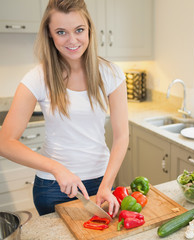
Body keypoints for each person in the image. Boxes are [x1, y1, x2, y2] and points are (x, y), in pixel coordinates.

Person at [0, 0, 129, 217]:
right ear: (50, 34)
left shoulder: (111, 74)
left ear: (89, 28)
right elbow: (5, 142)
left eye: (79, 30)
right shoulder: (38, 78)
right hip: (53, 188)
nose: (72, 40)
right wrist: (57, 168)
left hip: (100, 181)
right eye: (61, 32)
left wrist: (106, 185)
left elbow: (121, 136)